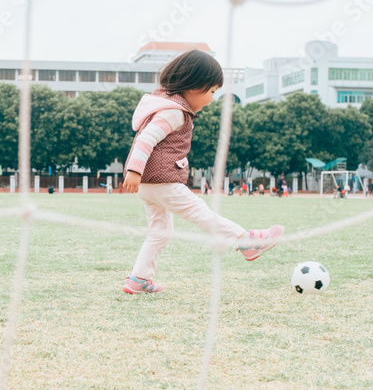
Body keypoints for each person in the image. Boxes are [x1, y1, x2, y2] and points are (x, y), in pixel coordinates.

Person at [121, 50, 283, 294]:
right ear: (195, 86)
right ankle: (246, 241)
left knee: (160, 233)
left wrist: (137, 174)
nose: (212, 98)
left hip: (149, 185)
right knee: (200, 212)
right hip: (161, 182)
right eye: (212, 91)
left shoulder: (167, 107)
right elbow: (146, 139)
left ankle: (139, 279)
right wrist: (134, 170)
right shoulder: (173, 111)